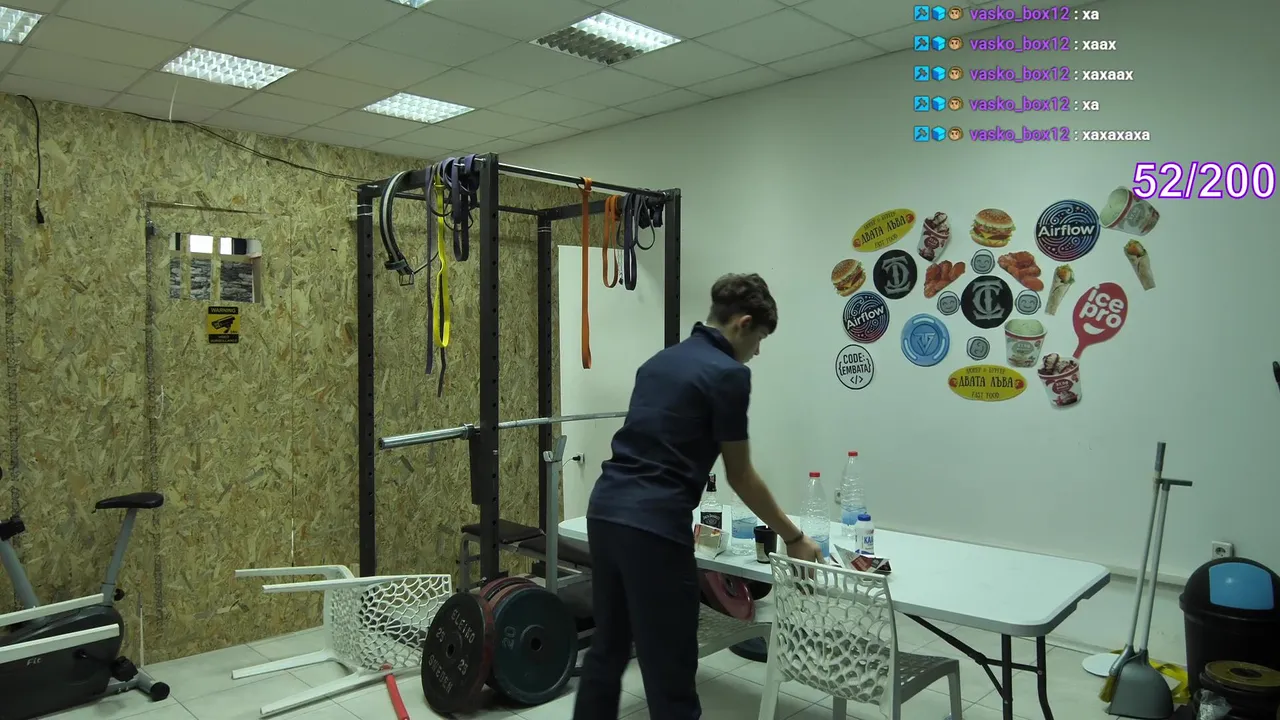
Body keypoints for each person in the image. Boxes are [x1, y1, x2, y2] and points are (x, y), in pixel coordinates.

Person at [572, 273, 824, 720]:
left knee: (607, 650)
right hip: (654, 528)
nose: (758, 351)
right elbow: (740, 475)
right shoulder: (729, 375)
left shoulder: (659, 362)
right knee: (670, 673)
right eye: (760, 339)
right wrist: (794, 536)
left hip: (605, 512)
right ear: (743, 324)